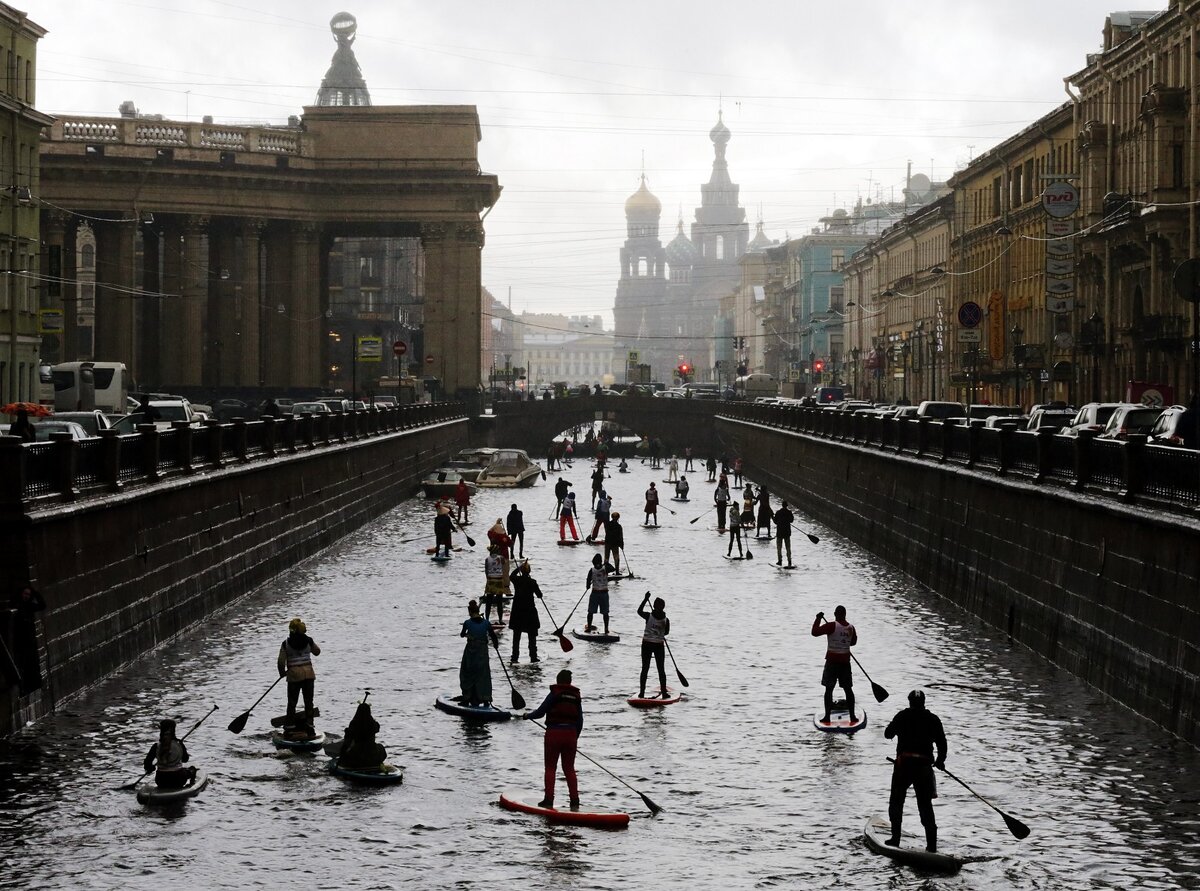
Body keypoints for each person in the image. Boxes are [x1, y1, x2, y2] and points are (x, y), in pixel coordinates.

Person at [883, 689, 948, 853]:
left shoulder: (902, 716)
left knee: (897, 802)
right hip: (924, 767)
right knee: (925, 805)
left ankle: (895, 839)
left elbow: (887, 734)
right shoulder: (933, 719)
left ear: (910, 702)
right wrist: (940, 761)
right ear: (924, 702)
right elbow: (942, 743)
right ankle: (932, 846)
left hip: (903, 765)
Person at [523, 669, 583, 809]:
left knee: (550, 768)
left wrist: (527, 716)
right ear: (569, 682)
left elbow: (540, 712)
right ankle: (575, 801)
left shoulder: (554, 693)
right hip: (571, 735)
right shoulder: (576, 697)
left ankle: (549, 800)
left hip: (554, 733)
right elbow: (580, 721)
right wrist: (575, 737)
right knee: (569, 768)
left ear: (558, 681)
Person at [811, 606, 857, 724]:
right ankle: (853, 717)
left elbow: (814, 632)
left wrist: (818, 619)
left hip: (832, 662)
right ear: (845, 614)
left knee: (829, 689)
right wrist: (843, 640)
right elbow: (853, 642)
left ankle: (827, 717)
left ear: (836, 614)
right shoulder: (851, 628)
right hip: (845, 663)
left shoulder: (831, 626)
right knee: (848, 689)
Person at [278, 618, 321, 730]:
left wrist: (282, 673)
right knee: (308, 701)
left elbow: (281, 662)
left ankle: (290, 725)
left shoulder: (286, 644)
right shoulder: (308, 640)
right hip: (309, 675)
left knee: (292, 702)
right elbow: (317, 652)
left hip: (294, 676)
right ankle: (310, 723)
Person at [460, 600, 500, 707]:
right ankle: (485, 699)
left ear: (470, 612)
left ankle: (467, 698)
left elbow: (462, 634)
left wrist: (468, 634)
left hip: (471, 652)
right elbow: (493, 636)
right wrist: (496, 645)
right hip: (482, 652)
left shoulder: (467, 623)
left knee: (467, 673)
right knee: (483, 674)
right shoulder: (486, 623)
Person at [9, 584, 45, 694]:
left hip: (29, 640)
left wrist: (35, 593)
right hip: (20, 641)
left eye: (29, 595)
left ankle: (29, 687)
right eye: (25, 594)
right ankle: (23, 688)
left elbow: (42, 605)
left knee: (29, 664)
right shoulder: (17, 605)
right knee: (21, 664)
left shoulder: (29, 606)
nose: (26, 596)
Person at [142, 719, 197, 789]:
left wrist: (151, 768)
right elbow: (185, 759)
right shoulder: (179, 744)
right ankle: (192, 784)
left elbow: (147, 764)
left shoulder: (156, 746)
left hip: (160, 780)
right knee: (192, 769)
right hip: (178, 779)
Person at [637, 592, 670, 699]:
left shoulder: (648, 616)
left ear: (655, 606)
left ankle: (642, 693)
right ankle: (664, 693)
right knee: (661, 669)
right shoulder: (666, 620)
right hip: (658, 646)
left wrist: (645, 599)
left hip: (646, 644)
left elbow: (639, 611)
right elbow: (666, 633)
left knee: (645, 669)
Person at [509, 559, 543, 663]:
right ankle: (533, 656)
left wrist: (518, 568)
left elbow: (511, 576)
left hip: (517, 611)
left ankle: (515, 657)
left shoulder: (517, 580)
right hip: (529, 611)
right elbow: (539, 595)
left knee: (516, 636)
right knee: (532, 636)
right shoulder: (532, 582)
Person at [338, 700, 387, 770]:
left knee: (347, 753)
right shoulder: (373, 724)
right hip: (372, 753)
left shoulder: (354, 724)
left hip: (357, 755)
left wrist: (342, 754)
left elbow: (347, 742)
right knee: (380, 747)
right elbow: (377, 727)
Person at [585, 553, 614, 634]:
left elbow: (587, 581)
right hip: (602, 593)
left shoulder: (594, 570)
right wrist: (607, 563)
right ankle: (605, 628)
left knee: (592, 612)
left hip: (597, 593)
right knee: (604, 613)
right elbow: (613, 569)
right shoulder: (604, 568)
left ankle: (590, 628)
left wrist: (587, 586)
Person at [483, 546, 508, 623]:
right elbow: (504, 564)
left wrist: (488, 579)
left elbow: (486, 571)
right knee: (499, 602)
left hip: (490, 580)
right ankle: (500, 620)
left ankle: (487, 619)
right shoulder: (501, 558)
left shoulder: (487, 559)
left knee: (488, 602)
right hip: (499, 581)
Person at [773, 500, 794, 567]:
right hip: (787, 532)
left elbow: (775, 522)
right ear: (786, 506)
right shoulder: (789, 512)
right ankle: (789, 561)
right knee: (788, 548)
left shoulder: (778, 513)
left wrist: (772, 518)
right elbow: (791, 520)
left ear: (782, 505)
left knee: (779, 548)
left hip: (779, 532)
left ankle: (780, 561)